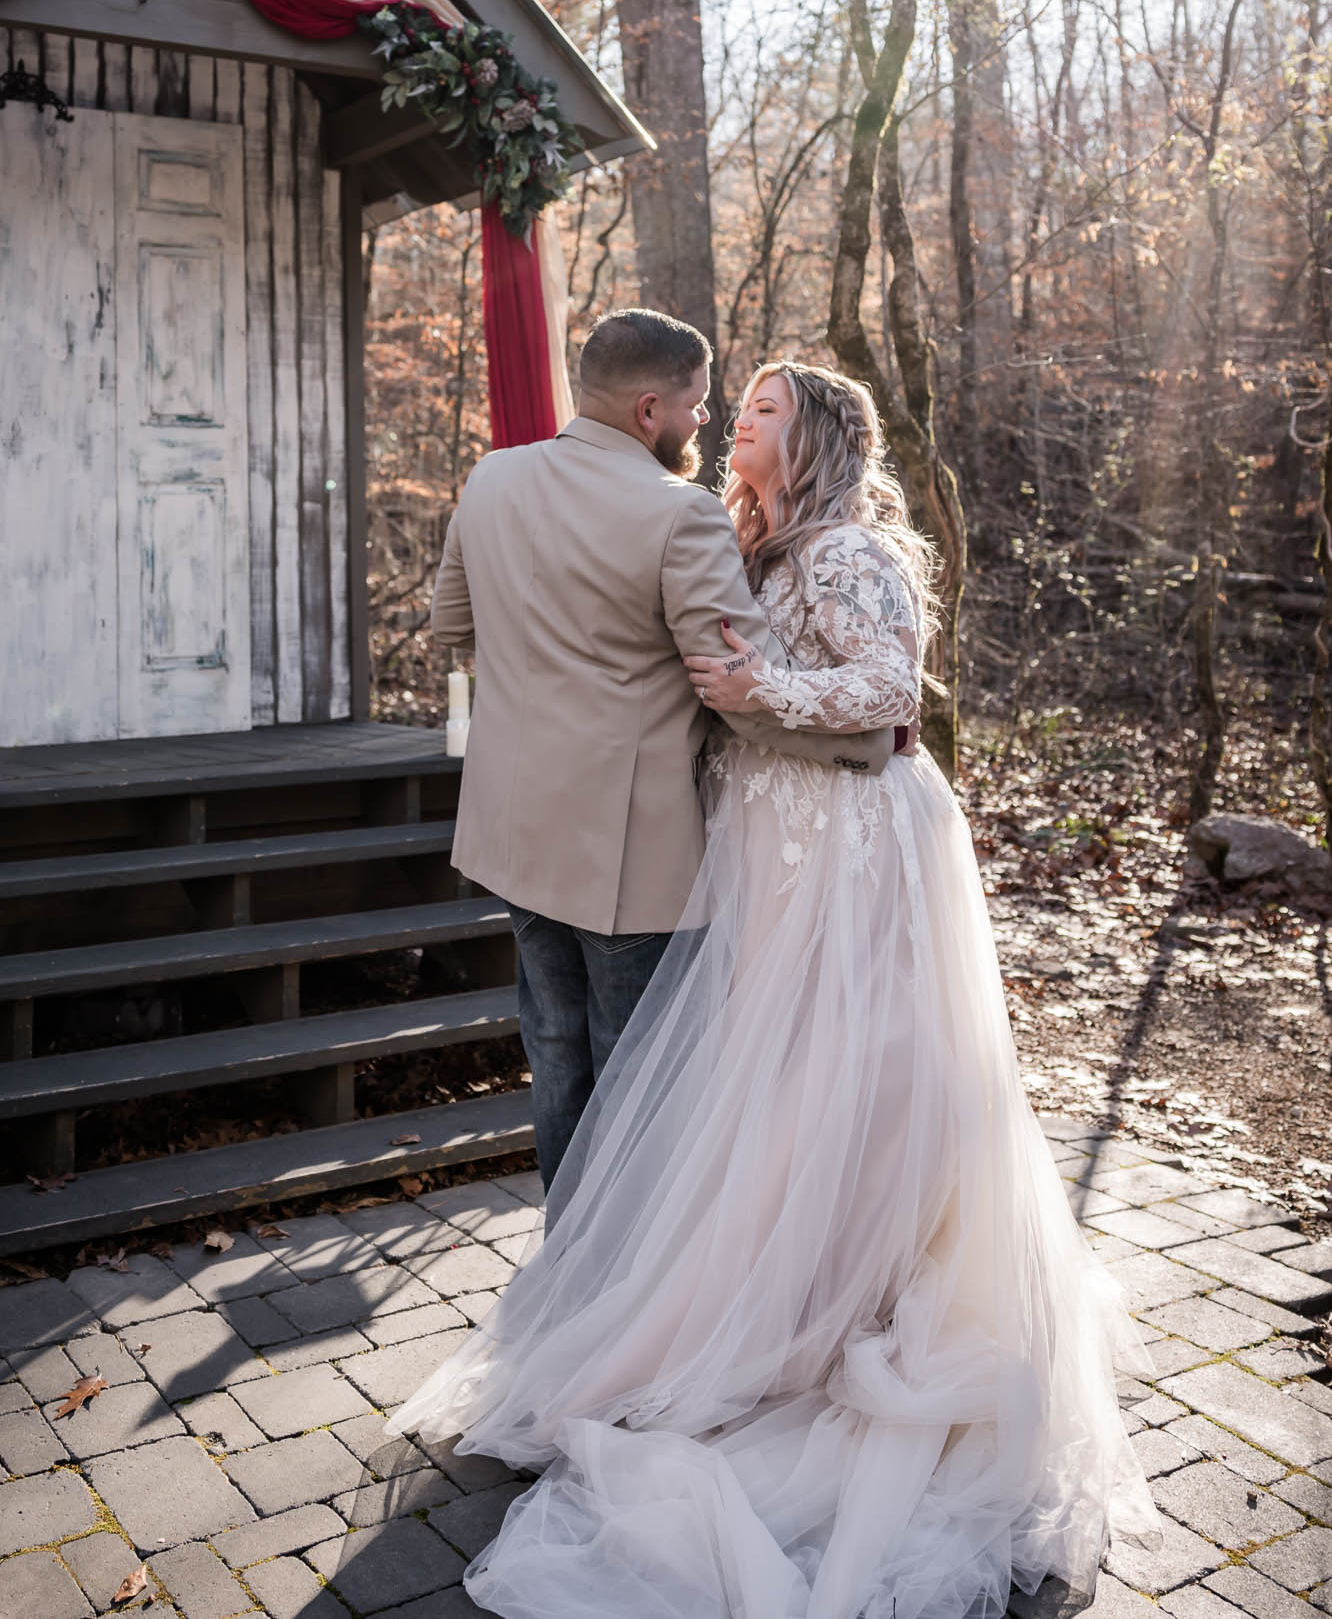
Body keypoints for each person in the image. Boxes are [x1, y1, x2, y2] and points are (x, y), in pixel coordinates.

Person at [394, 358, 1155, 1619]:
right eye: (726, 404)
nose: (729, 421)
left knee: (850, 1066)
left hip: (851, 843)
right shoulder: (735, 537)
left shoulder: (849, 551)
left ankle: (843, 1295)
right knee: (775, 1068)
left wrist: (762, 692)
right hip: (768, 835)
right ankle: (763, 1294)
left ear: (808, 442)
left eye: (756, 410)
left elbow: (890, 691)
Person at [428, 309, 894, 1191]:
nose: (705, 424)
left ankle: (568, 1268)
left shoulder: (490, 478)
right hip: (626, 850)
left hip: (510, 828)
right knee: (642, 1077)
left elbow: (453, 625)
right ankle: (622, 1292)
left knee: (556, 1053)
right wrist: (869, 738)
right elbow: (737, 691)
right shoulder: (681, 517)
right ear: (650, 410)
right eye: (696, 406)